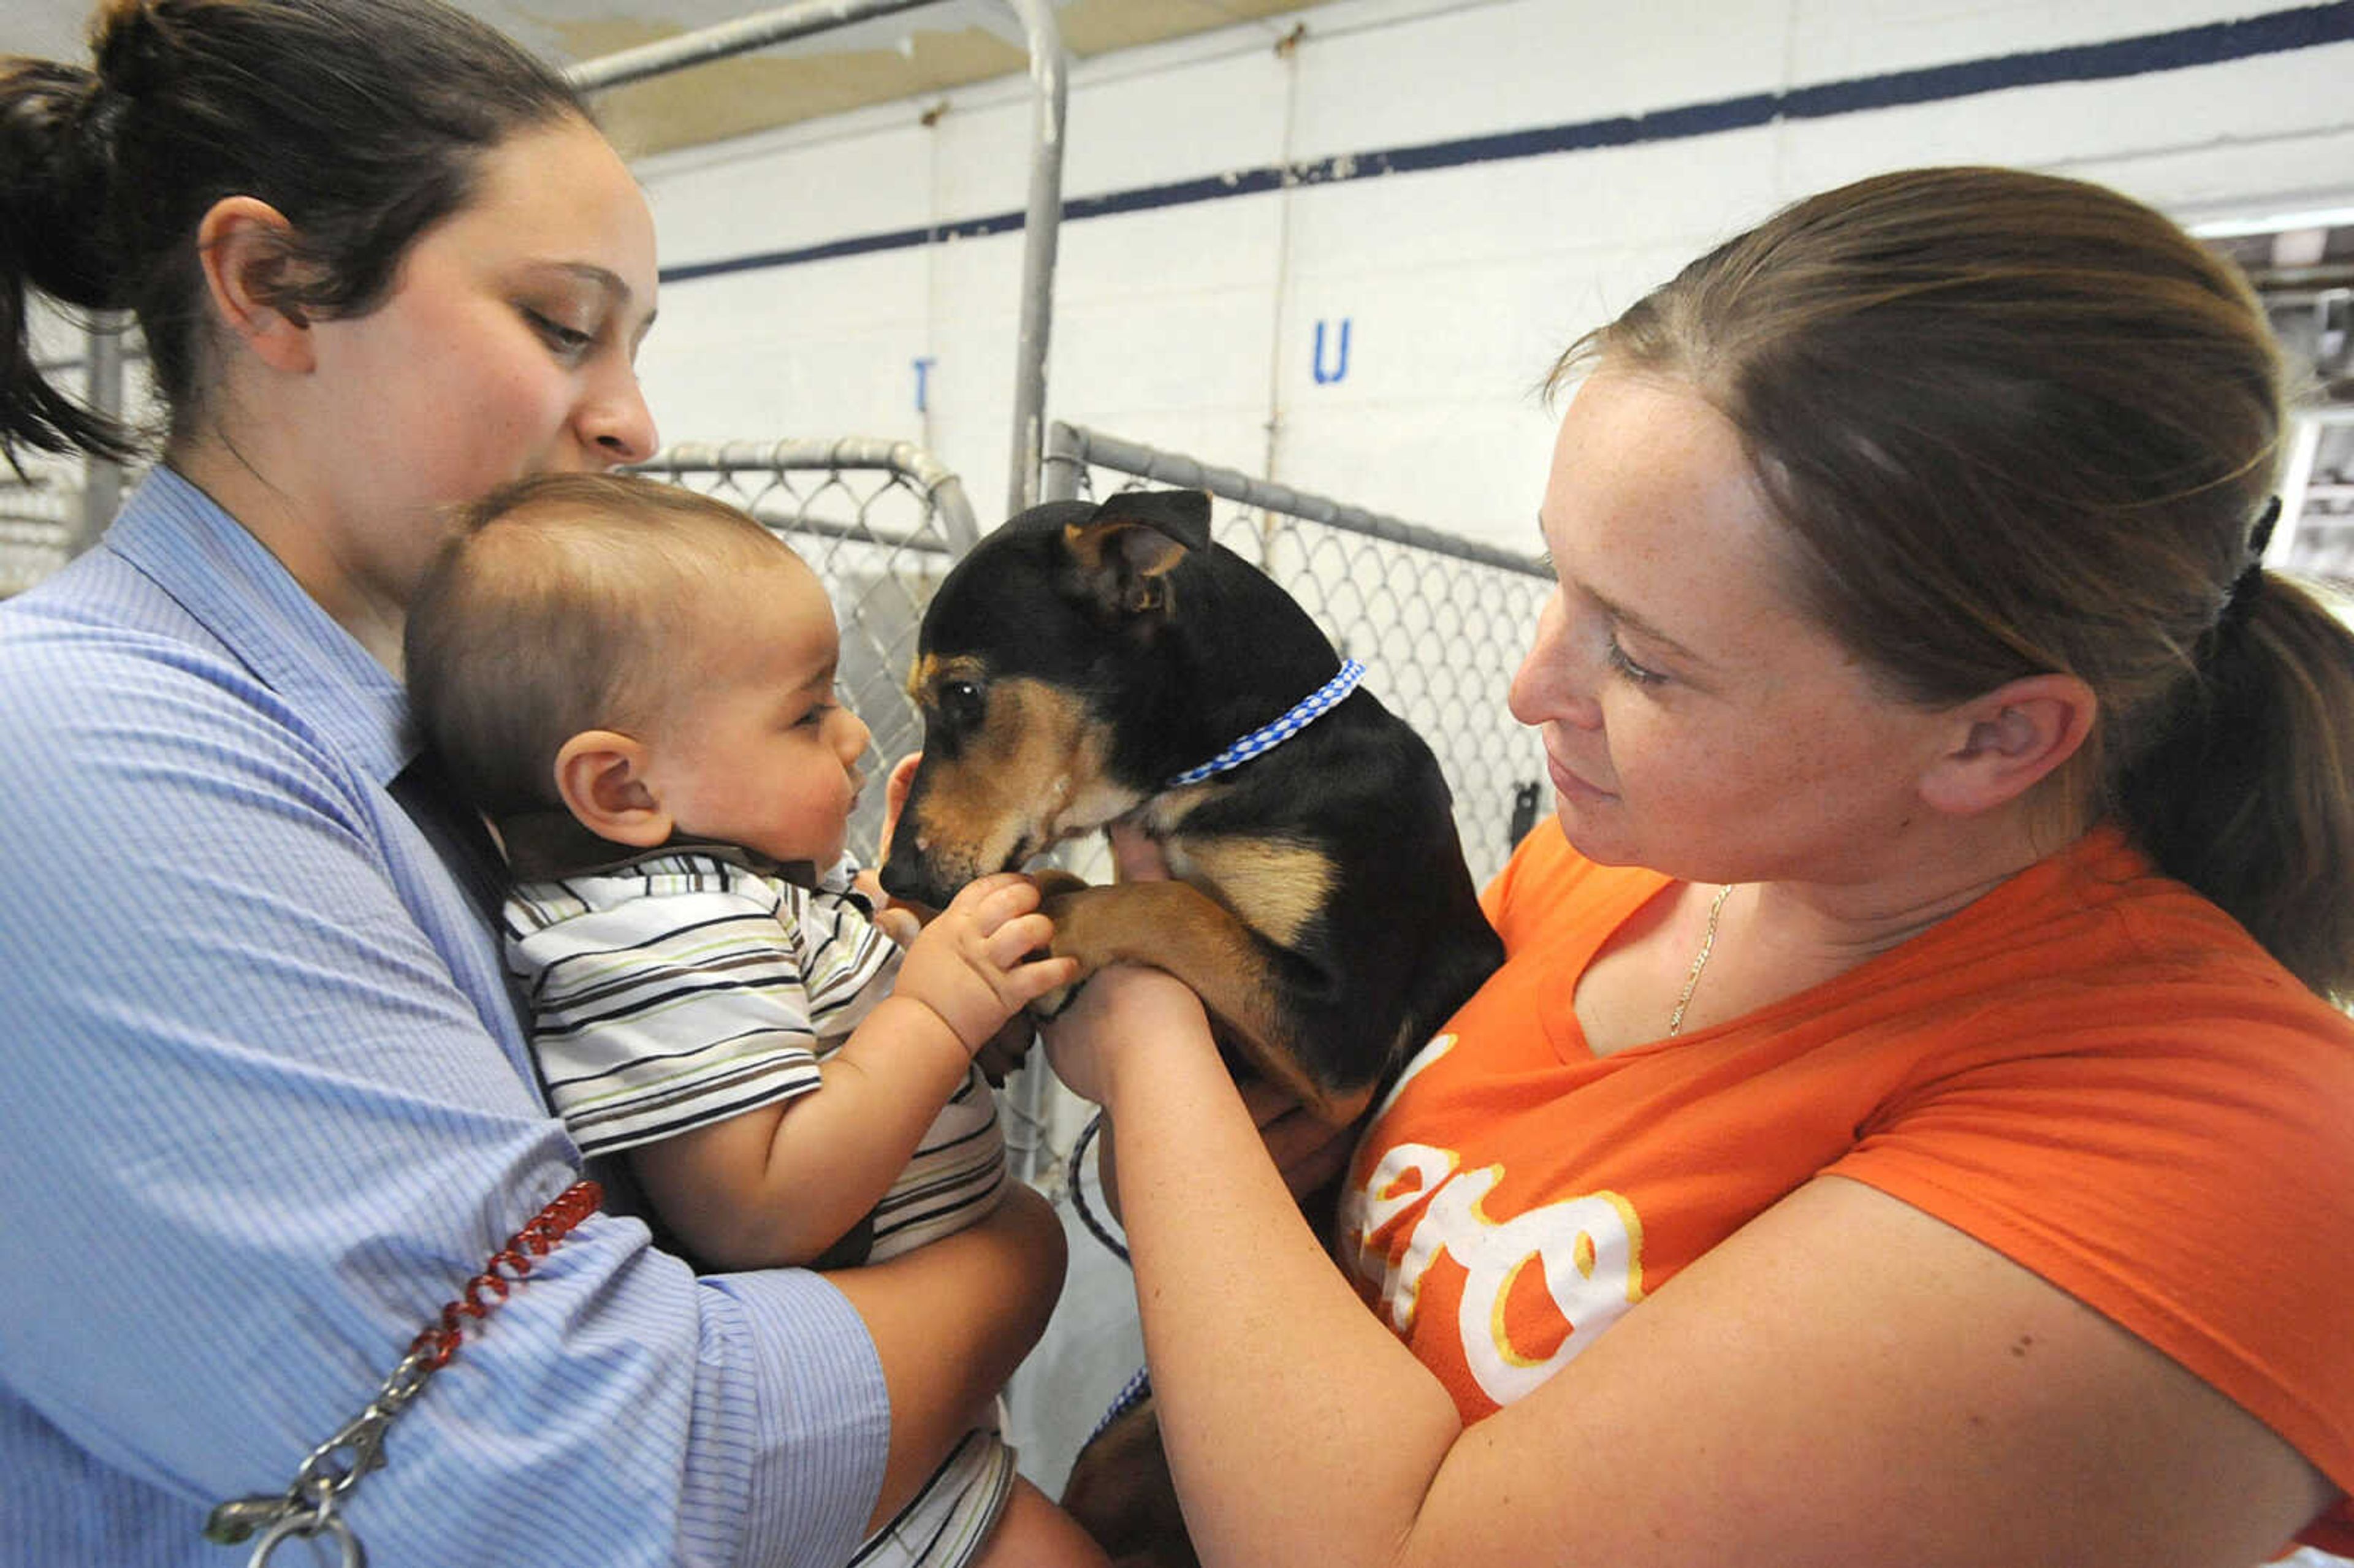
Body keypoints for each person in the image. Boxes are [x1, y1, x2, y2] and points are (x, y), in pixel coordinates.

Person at [1038, 165, 2354, 1567]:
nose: (1534, 686)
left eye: (1648, 660)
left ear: (1994, 738)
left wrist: (1148, 1031)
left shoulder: (2225, 1146)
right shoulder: (1629, 867)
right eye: (1564, 584)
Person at [0, 4, 1069, 1564]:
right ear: (271, 286)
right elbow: (608, 1473)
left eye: (636, 345)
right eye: (564, 328)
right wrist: (1017, 1257)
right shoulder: (84, 744)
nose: (632, 419)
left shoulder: (427, 751)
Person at [403, 471, 1103, 1568]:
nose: (854, 735)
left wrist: (891, 928)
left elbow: (812, 1022)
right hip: (860, 1511)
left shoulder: (720, 895)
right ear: (623, 790)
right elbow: (759, 1205)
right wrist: (936, 1007)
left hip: (909, 1444)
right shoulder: (653, 931)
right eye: (806, 710)